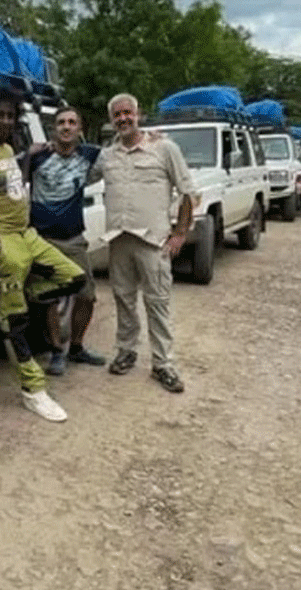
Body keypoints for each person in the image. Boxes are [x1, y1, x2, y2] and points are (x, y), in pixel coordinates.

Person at [0, 86, 87, 421]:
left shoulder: (5, 148)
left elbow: (15, 181)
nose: (5, 120)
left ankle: (20, 297)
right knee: (15, 322)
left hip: (25, 235)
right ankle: (33, 390)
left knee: (75, 278)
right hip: (1, 239)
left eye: (10, 115)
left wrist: (28, 156)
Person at [90, 93, 199, 393]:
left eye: (128, 113)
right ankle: (126, 351)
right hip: (119, 240)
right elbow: (81, 174)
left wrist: (180, 233)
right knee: (123, 298)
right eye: (117, 115)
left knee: (157, 302)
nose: (123, 118)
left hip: (153, 241)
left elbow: (188, 192)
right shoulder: (106, 156)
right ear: (111, 120)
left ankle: (164, 364)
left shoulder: (164, 148)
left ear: (138, 115)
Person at [26, 106, 108, 376]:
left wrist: (151, 138)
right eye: (61, 122)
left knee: (87, 296)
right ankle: (56, 351)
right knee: (50, 299)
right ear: (53, 128)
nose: (66, 126)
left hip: (74, 240)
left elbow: (122, 150)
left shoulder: (90, 155)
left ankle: (76, 347)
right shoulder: (37, 157)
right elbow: (10, 176)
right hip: (43, 241)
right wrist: (28, 153)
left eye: (72, 122)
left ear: (79, 129)